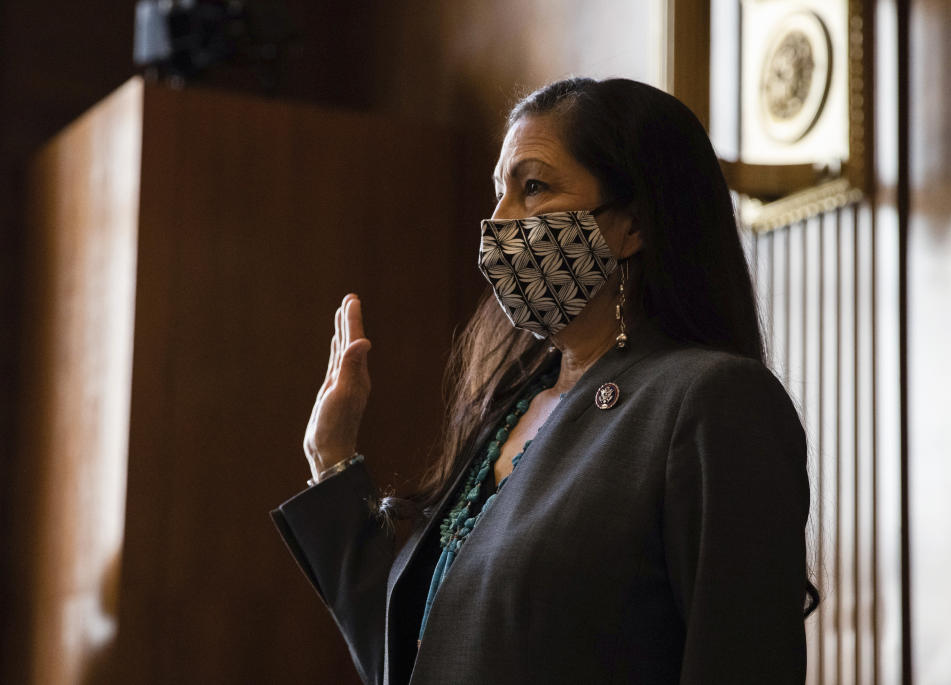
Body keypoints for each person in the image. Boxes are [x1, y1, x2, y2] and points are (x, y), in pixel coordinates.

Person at [271, 77, 818, 685]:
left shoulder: (710, 401)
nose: (499, 221)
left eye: (534, 187)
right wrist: (333, 458)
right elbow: (417, 659)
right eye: (499, 192)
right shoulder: (507, 413)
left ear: (632, 225)